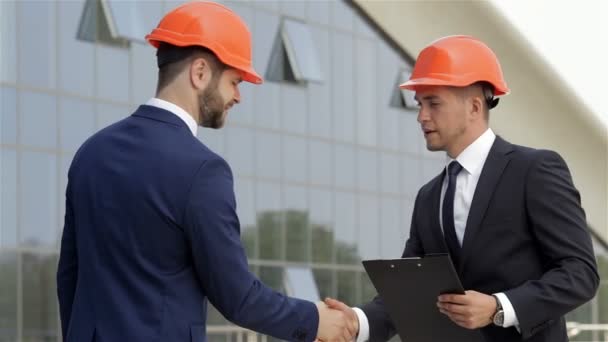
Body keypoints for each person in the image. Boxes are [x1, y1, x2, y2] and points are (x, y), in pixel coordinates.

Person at [56, 2, 356, 342]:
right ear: (200, 73)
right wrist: (315, 320)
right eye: (234, 81)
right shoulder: (203, 170)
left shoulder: (91, 152)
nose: (238, 96)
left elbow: (70, 276)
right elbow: (236, 295)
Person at [325, 35, 599, 342]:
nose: (421, 116)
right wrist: (357, 322)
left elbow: (580, 273)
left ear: (474, 106)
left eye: (433, 103)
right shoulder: (429, 197)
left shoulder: (534, 170)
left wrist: (500, 307)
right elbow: (410, 290)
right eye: (420, 104)